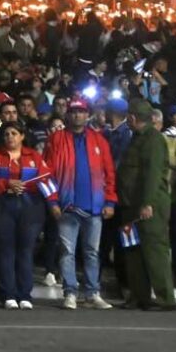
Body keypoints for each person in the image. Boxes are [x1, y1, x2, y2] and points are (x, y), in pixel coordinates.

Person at [43, 98, 117, 310]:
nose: (77, 115)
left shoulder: (99, 140)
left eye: (81, 111)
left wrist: (110, 201)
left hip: (94, 206)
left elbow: (109, 173)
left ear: (87, 114)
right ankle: (70, 292)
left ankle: (92, 293)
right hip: (67, 206)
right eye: (74, 111)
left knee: (92, 252)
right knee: (67, 252)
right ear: (68, 114)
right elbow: (47, 173)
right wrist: (52, 201)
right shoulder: (56, 139)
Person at [0, 121, 53, 310]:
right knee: (6, 250)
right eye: (6, 134)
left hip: (30, 207)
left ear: (22, 136)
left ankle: (25, 294)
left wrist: (50, 201)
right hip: (2, 206)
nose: (10, 137)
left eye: (14, 133)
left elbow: (45, 178)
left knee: (25, 250)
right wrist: (6, 184)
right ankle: (8, 294)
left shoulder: (34, 156)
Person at [116, 99, 175, 311]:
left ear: (132, 117)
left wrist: (147, 202)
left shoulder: (153, 140)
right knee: (133, 251)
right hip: (131, 204)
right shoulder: (138, 138)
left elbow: (153, 174)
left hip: (148, 205)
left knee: (154, 250)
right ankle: (139, 296)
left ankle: (165, 299)